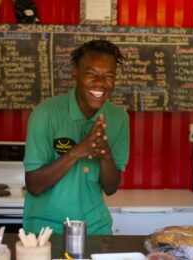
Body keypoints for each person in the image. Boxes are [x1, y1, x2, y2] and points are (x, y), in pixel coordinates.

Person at [23, 39, 130, 235]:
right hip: (46, 231)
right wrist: (76, 152)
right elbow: (34, 185)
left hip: (95, 229)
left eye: (108, 76)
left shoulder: (119, 118)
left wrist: (106, 156)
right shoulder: (45, 114)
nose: (100, 83)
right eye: (91, 74)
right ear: (75, 73)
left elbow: (111, 188)